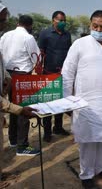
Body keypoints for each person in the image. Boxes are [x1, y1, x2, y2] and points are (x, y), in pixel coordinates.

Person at [61, 10, 102, 189]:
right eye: (95, 26)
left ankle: (100, 169)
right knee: (88, 141)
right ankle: (86, 175)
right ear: (90, 25)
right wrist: (67, 100)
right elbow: (67, 73)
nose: (98, 29)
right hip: (86, 104)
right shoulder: (80, 44)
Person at [0, 2, 38, 188]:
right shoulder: (28, 38)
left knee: (11, 108)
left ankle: (14, 140)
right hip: (21, 75)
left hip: (6, 76)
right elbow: (35, 58)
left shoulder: (5, 35)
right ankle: (23, 145)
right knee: (22, 110)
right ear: (29, 26)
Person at [38, 11, 72, 142]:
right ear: (53, 20)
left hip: (63, 74)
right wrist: (40, 72)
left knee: (60, 103)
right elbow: (40, 53)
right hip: (48, 73)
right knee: (48, 104)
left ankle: (58, 127)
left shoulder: (67, 35)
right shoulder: (45, 33)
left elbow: (69, 53)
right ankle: (47, 132)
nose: (63, 22)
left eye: (64, 20)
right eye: (60, 20)